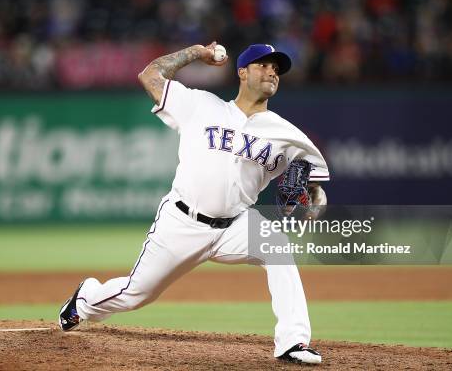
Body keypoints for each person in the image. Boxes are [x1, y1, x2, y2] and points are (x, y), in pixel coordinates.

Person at [59, 42, 330, 364]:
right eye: (263, 65)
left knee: (278, 248)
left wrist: (312, 206)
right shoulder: (201, 105)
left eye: (277, 68)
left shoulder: (290, 136)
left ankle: (293, 343)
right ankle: (86, 299)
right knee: (136, 294)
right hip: (183, 222)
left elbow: (315, 192)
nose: (272, 71)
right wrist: (195, 53)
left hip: (237, 225)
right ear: (242, 72)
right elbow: (150, 75)